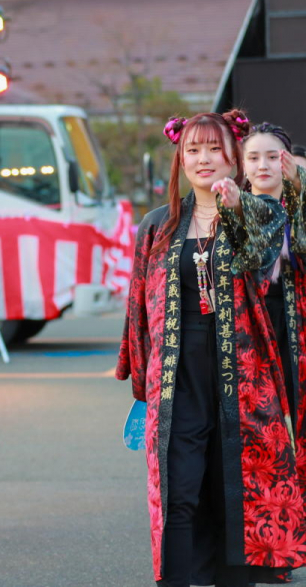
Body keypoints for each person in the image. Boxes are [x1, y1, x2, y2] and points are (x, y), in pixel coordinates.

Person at [118, 111, 306, 586]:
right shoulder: (156, 226)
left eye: (215, 149)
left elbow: (262, 268)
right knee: (177, 493)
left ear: (233, 157)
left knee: (235, 492)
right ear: (180, 159)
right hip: (176, 380)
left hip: (241, 379)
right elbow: (139, 308)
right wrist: (142, 382)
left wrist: (237, 210)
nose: (203, 160)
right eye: (193, 150)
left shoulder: (264, 213)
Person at [241, 122, 305, 427]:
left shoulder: (299, 208)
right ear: (242, 164)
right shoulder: (228, 211)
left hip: (295, 325)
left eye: (272, 156)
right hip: (249, 325)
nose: (262, 165)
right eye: (253, 157)